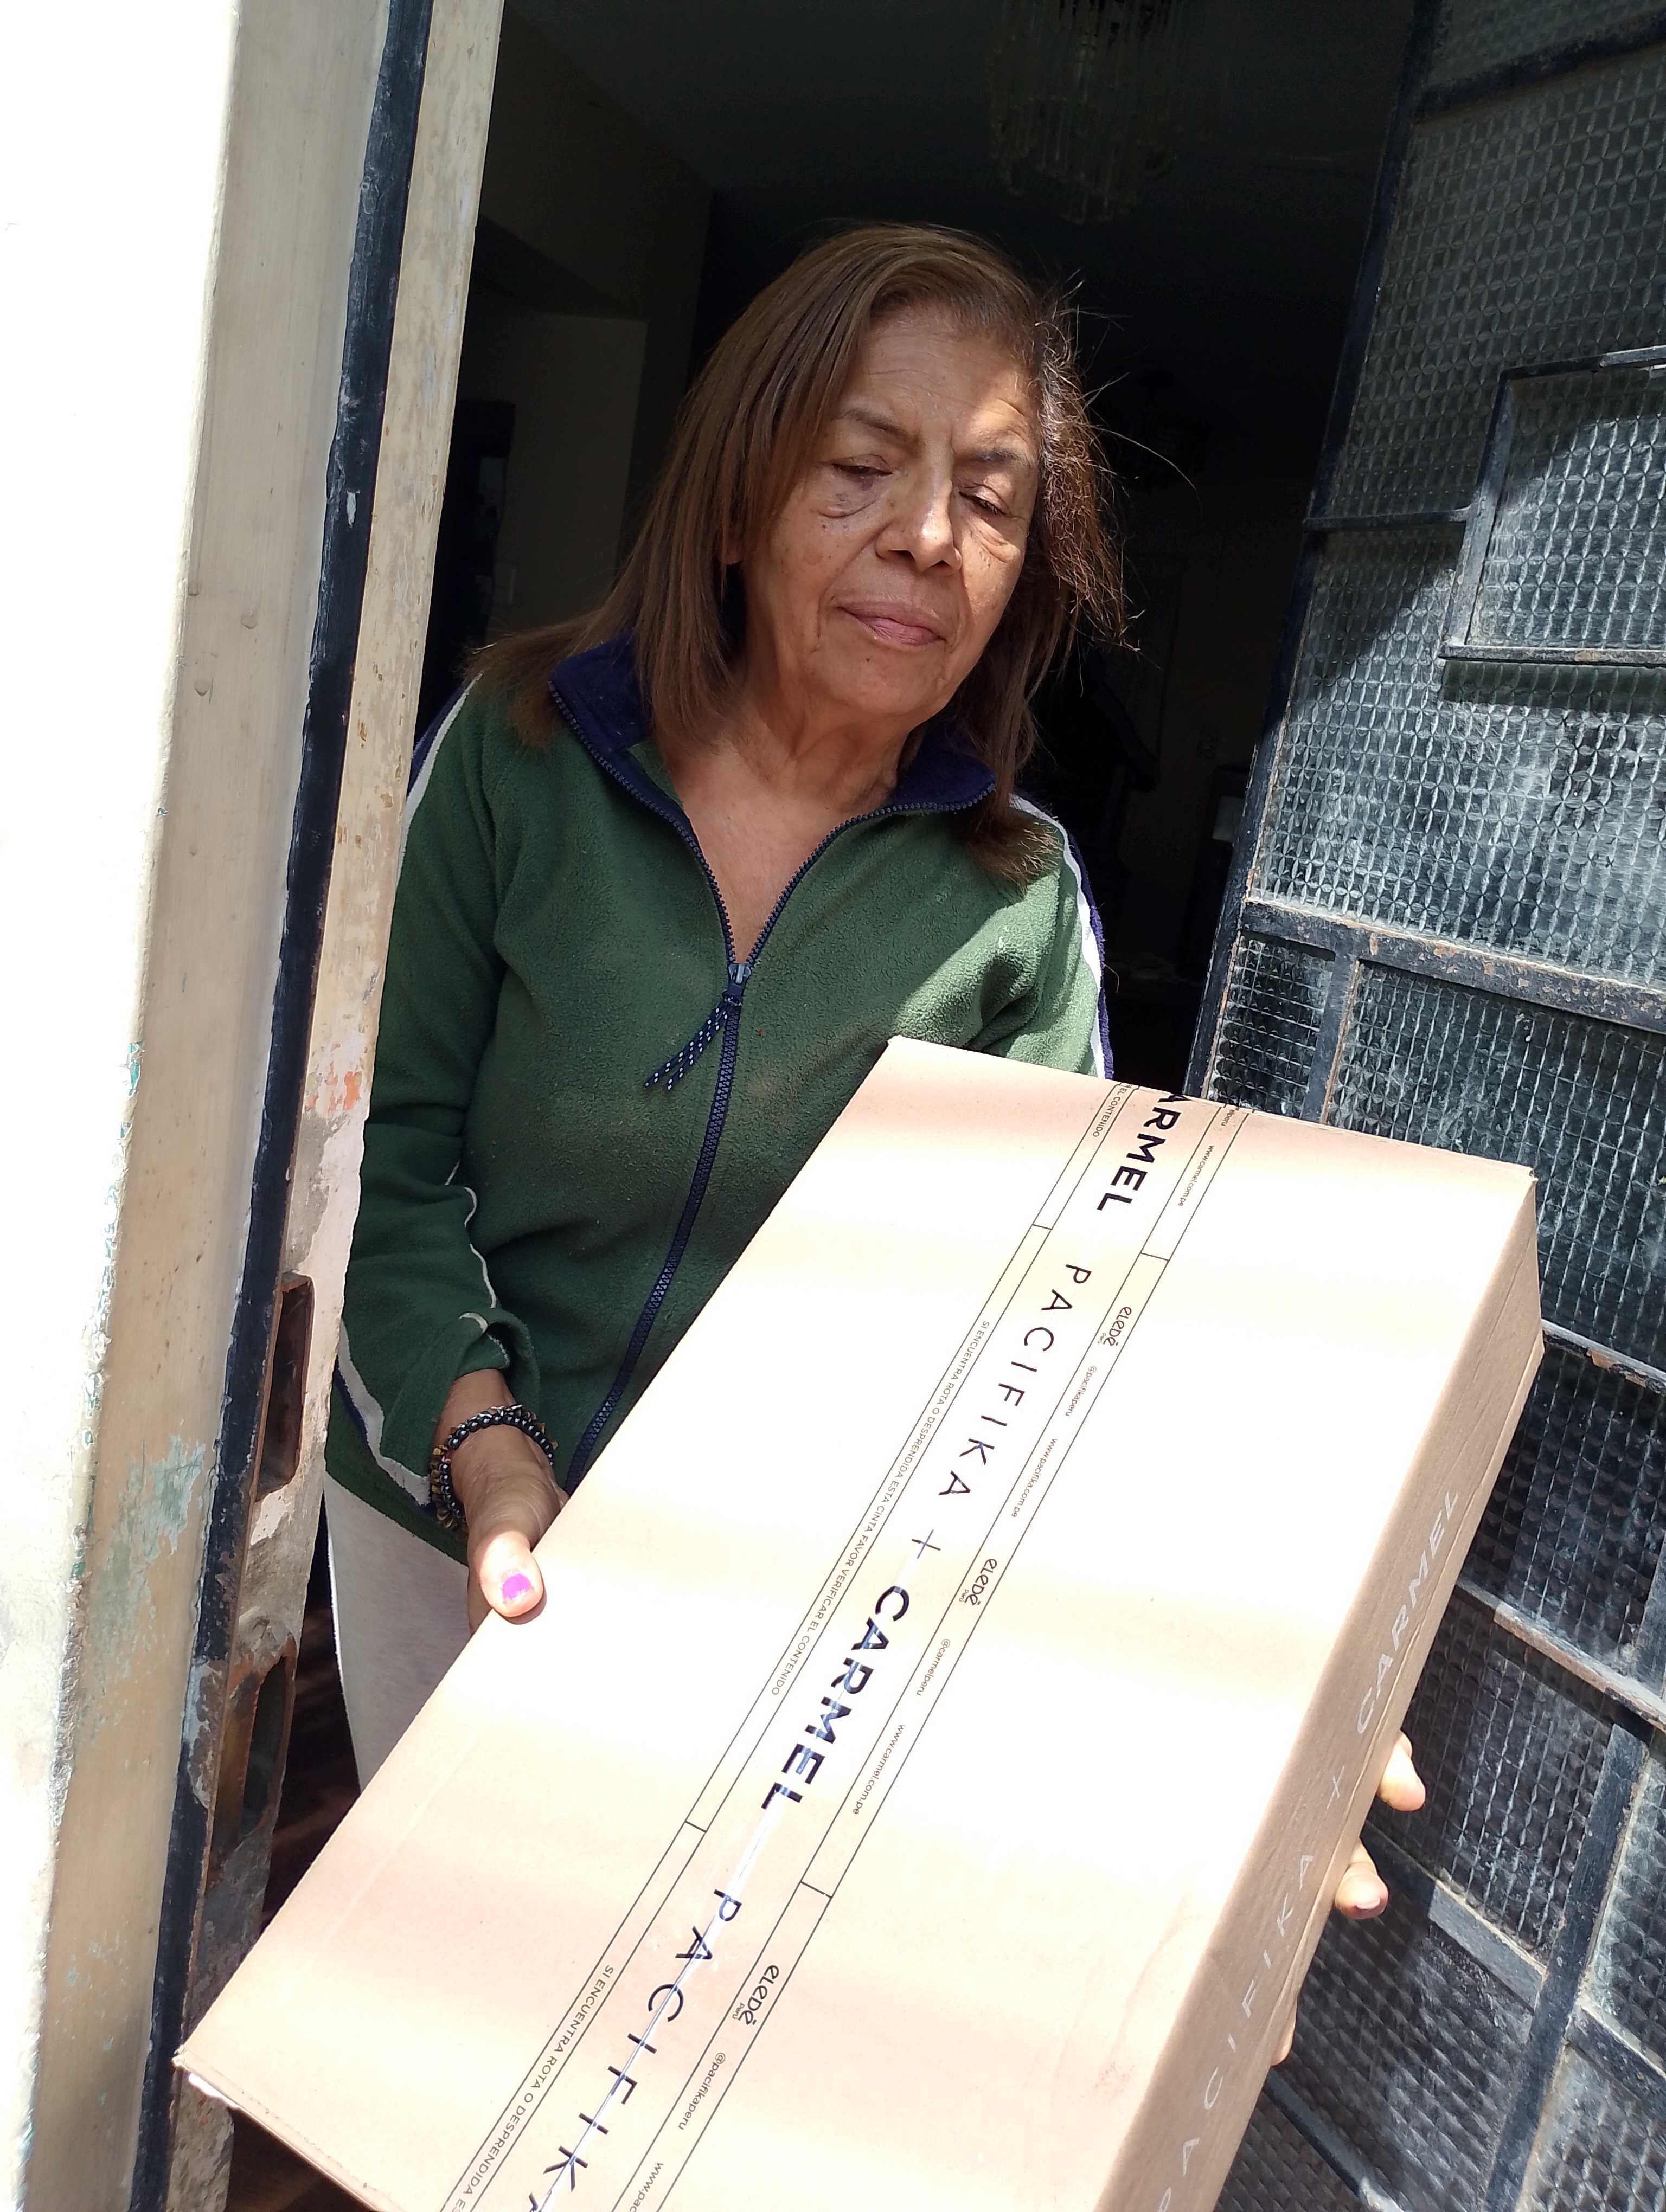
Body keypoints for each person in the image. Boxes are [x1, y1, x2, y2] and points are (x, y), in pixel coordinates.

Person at [323, 225, 1421, 1999]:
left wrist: (1247, 1667)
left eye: (991, 500)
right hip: (448, 1513)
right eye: (859, 468)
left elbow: (1062, 1324)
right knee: (438, 1998)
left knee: (647, 2034)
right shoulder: (518, 757)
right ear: (736, 506)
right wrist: (482, 1442)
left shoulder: (1014, 901)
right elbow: (385, 1164)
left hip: (762, 1596)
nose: (927, 535)